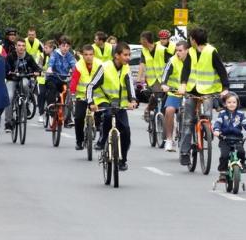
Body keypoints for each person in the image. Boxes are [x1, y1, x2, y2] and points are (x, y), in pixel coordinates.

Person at [177, 27, 229, 166]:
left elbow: (221, 70)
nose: (189, 40)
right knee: (188, 121)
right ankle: (184, 153)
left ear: (194, 40)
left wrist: (225, 88)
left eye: (190, 38)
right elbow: (186, 69)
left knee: (207, 116)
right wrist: (183, 85)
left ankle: (206, 129)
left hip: (207, 90)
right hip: (192, 90)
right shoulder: (191, 52)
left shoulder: (211, 51)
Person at [86, 42, 138, 171]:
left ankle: (122, 160)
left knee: (125, 130)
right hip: (104, 101)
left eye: (129, 55)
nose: (128, 58)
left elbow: (130, 86)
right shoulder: (105, 67)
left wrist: (133, 100)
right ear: (117, 56)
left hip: (120, 104)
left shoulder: (126, 68)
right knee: (108, 116)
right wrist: (91, 102)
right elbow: (91, 86)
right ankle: (103, 139)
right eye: (125, 55)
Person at [213, 92, 246, 180]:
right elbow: (218, 123)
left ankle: (242, 164)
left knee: (241, 152)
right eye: (229, 102)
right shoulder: (222, 114)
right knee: (224, 156)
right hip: (224, 138)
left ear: (237, 103)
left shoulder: (240, 114)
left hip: (237, 139)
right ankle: (222, 171)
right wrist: (216, 130)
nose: (231, 104)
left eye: (234, 102)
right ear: (225, 103)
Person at [4, 38, 42, 132]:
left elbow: (36, 67)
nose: (21, 48)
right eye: (19, 45)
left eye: (23, 46)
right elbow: (5, 68)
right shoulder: (10, 56)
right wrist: (8, 72)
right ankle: (8, 123)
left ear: (25, 47)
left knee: (25, 84)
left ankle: (26, 103)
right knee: (9, 97)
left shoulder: (28, 57)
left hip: (24, 78)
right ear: (16, 47)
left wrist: (37, 72)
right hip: (11, 80)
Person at [70, 45, 103, 150]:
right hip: (82, 95)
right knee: (78, 118)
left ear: (94, 55)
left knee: (102, 119)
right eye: (86, 55)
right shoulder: (78, 65)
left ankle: (102, 141)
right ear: (82, 55)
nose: (88, 57)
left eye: (91, 54)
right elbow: (74, 80)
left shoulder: (100, 64)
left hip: (97, 96)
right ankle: (79, 141)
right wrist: (72, 93)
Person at [137, 31, 174, 121]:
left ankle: (152, 110)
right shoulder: (144, 50)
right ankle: (153, 111)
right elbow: (142, 64)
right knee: (157, 94)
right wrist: (139, 78)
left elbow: (172, 62)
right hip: (152, 79)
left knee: (161, 95)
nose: (140, 42)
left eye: (141, 41)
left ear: (145, 41)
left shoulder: (162, 49)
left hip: (164, 78)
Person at [161, 41, 189, 152]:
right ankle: (169, 139)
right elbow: (165, 73)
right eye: (176, 50)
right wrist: (163, 84)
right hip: (175, 92)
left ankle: (202, 132)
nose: (178, 53)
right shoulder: (172, 60)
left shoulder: (193, 60)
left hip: (189, 92)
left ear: (187, 50)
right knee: (169, 110)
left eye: (180, 50)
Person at [45, 36, 76, 125]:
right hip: (53, 78)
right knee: (52, 89)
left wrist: (75, 72)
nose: (65, 48)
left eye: (67, 46)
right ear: (59, 46)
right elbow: (51, 61)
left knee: (67, 94)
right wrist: (50, 68)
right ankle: (51, 112)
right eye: (63, 46)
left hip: (63, 79)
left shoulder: (70, 56)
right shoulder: (55, 53)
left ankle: (67, 118)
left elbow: (73, 65)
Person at [36, 40, 55, 124]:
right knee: (41, 94)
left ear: (52, 48)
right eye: (44, 47)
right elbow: (39, 65)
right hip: (42, 79)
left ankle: (52, 112)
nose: (44, 49)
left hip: (52, 78)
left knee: (53, 94)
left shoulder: (56, 56)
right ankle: (41, 113)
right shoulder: (42, 55)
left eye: (46, 48)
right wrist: (42, 70)